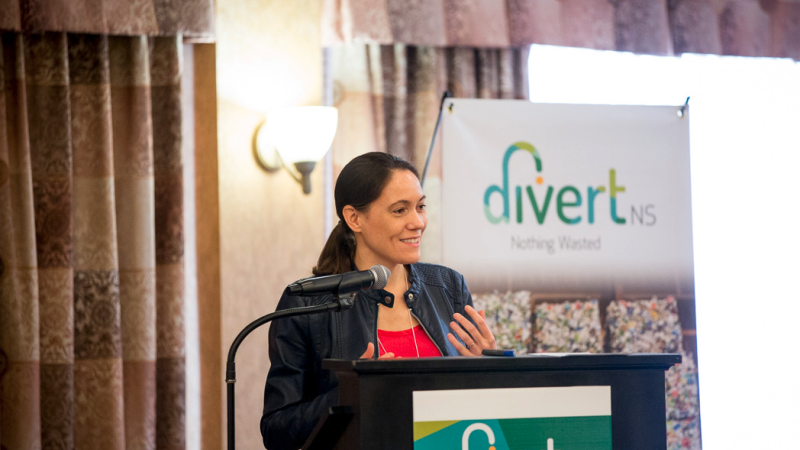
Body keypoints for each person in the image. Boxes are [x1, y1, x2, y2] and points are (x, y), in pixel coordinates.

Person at [260, 152, 496, 449]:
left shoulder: (449, 287)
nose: (418, 222)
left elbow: (478, 413)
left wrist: (489, 370)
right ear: (354, 218)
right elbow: (277, 431)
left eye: (420, 207)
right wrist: (353, 390)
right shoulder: (307, 303)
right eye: (400, 210)